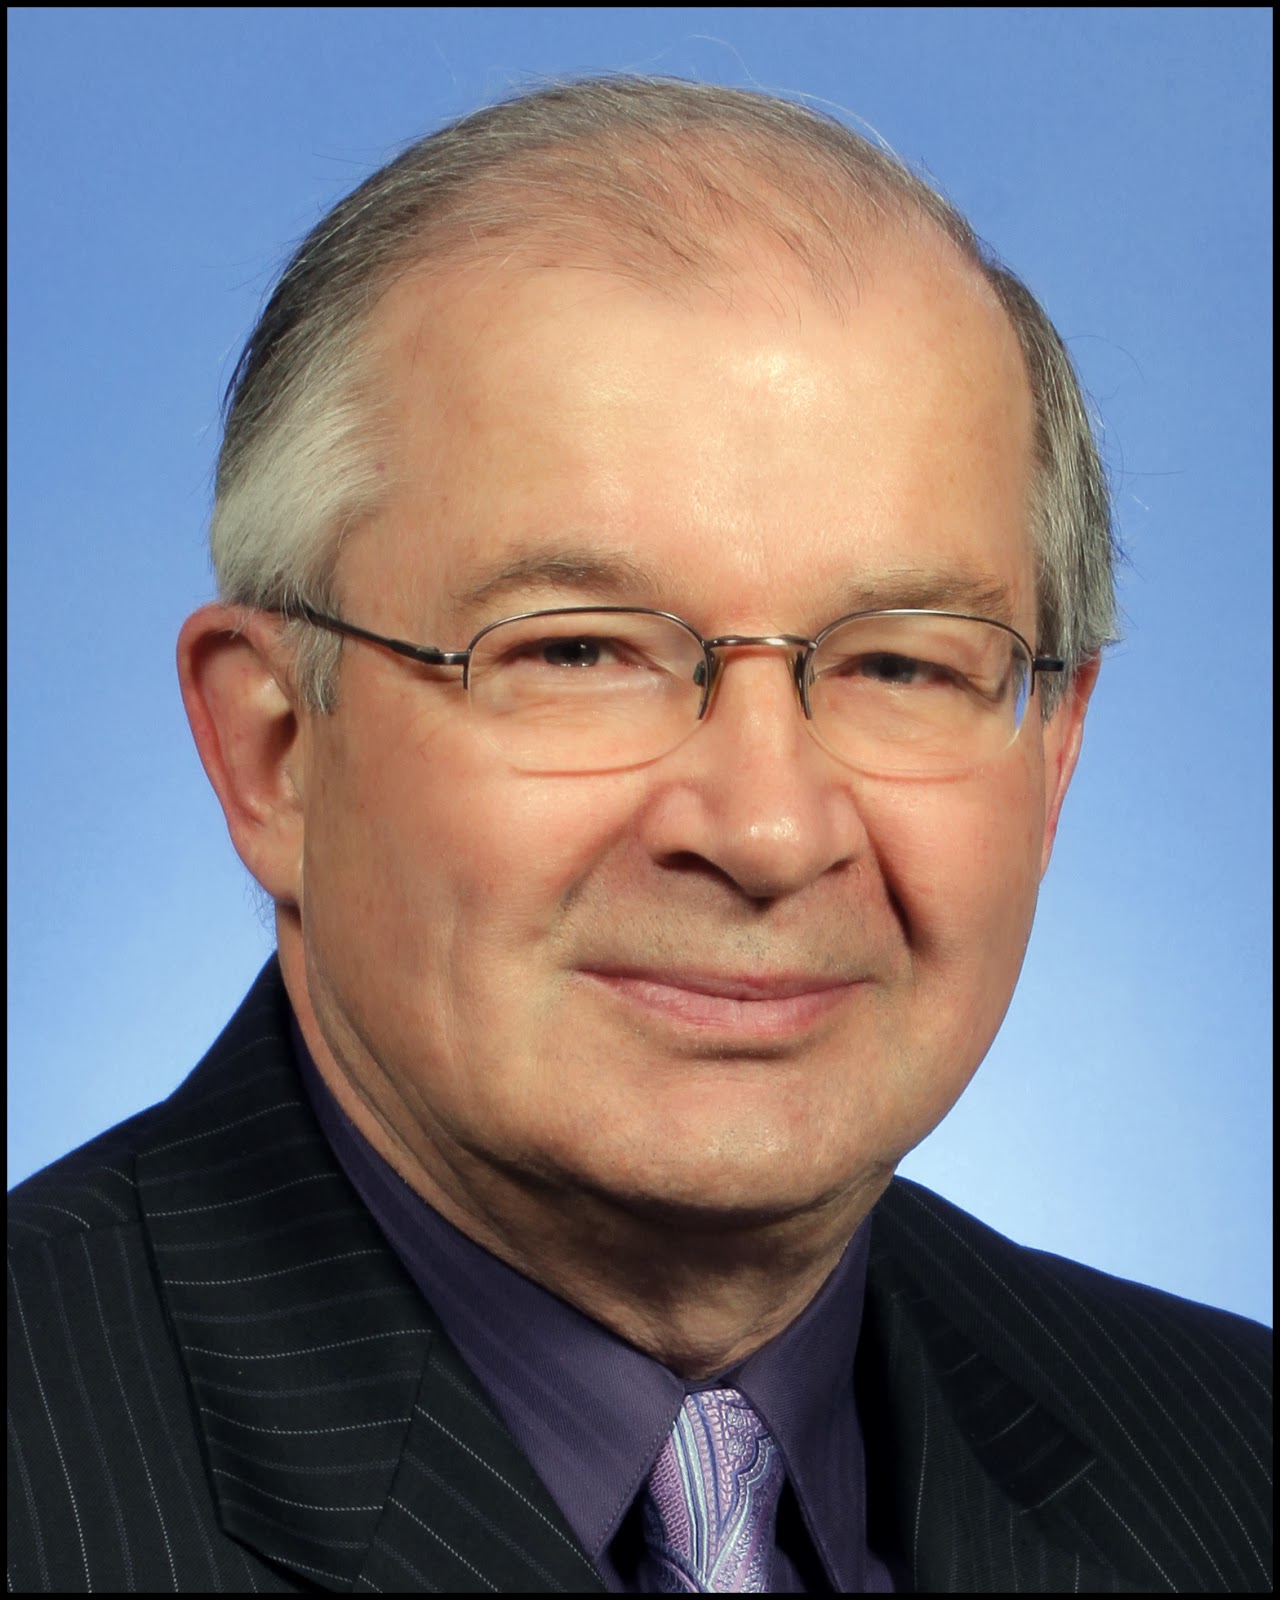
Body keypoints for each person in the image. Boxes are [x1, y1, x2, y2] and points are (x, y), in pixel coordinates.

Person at [7, 75, 1271, 1595]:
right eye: (580, 650)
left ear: (1053, 759)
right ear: (274, 752)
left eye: (900, 665)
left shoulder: (1235, 1464)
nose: (768, 829)